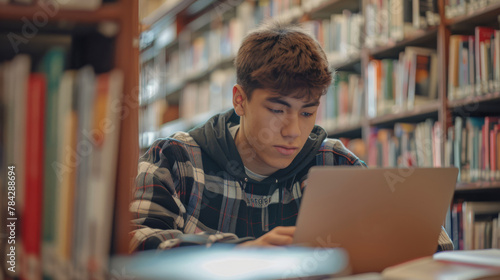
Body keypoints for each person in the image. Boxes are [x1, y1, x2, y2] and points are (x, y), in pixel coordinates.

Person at [130, 21, 452, 251]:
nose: (293, 131)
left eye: (307, 112)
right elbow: (133, 243)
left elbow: (434, 242)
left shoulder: (333, 164)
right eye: (278, 110)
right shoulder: (174, 159)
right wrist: (243, 253)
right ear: (240, 100)